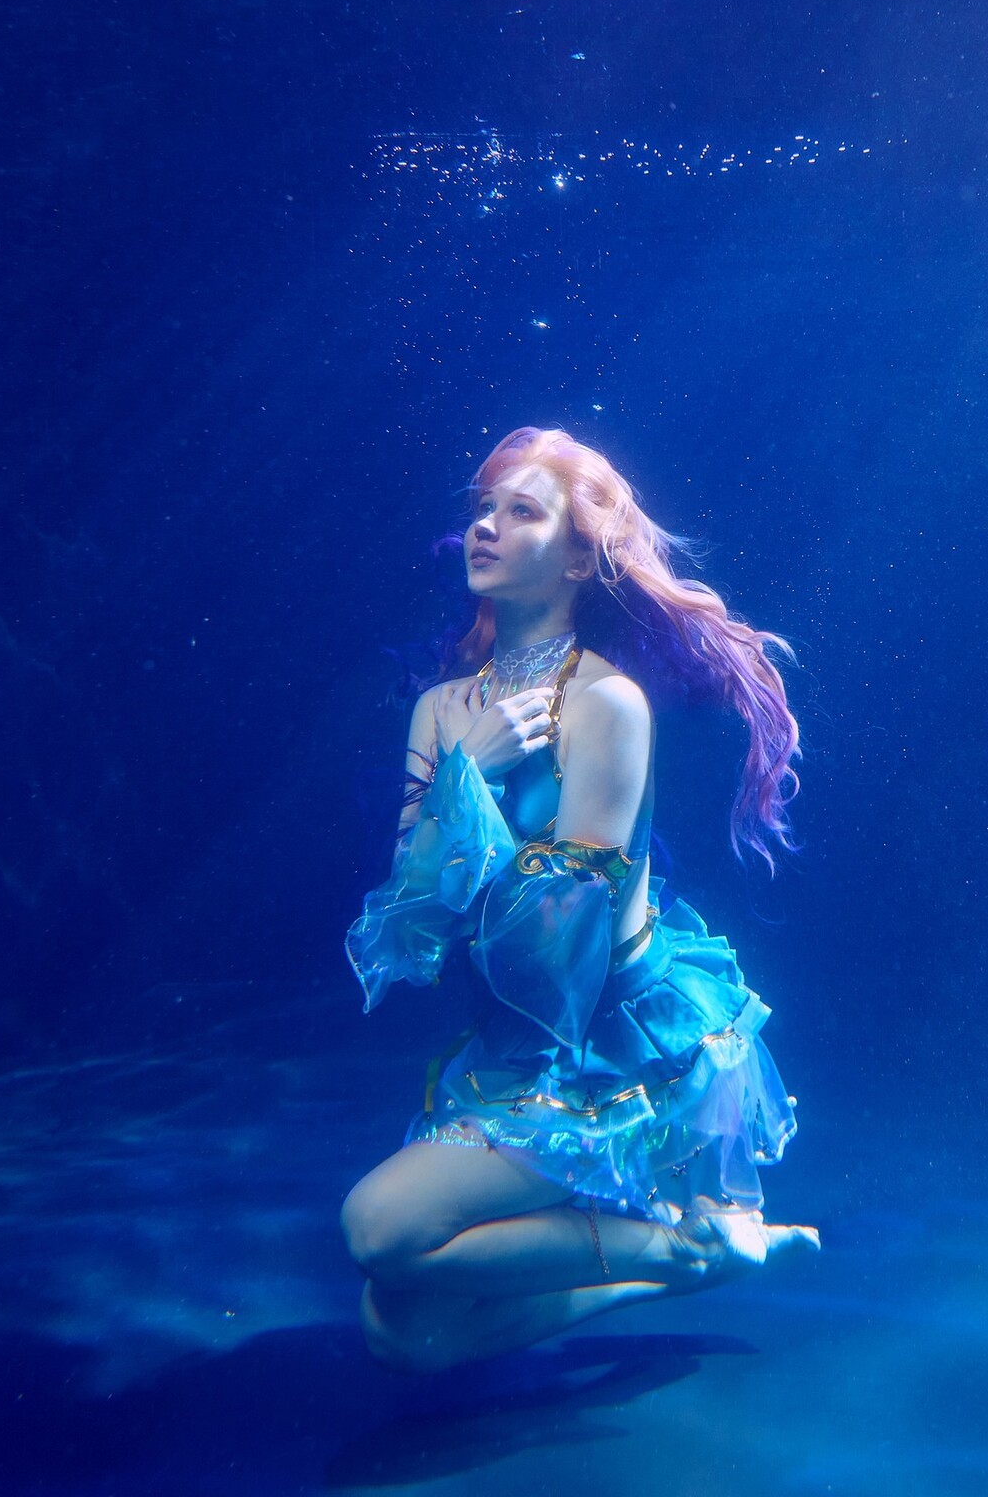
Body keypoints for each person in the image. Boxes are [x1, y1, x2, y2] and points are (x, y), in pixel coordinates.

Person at [341, 426, 818, 1372]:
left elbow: (554, 949)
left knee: (378, 1228)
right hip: (512, 1039)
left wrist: (454, 804)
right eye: (482, 509)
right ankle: (691, 1258)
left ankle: (674, 1242)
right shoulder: (441, 711)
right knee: (404, 1333)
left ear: (576, 558)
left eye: (520, 511)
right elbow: (407, 923)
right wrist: (467, 772)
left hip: (609, 1044)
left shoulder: (607, 705)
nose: (484, 526)